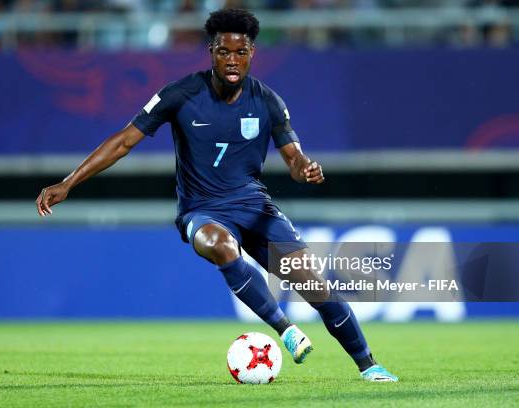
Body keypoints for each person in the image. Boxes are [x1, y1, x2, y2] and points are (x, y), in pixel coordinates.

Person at [36, 8, 398, 382]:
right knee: (220, 245)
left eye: (240, 52)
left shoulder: (267, 102)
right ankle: (286, 329)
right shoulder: (181, 94)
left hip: (256, 209)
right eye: (224, 51)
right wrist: (69, 182)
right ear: (211, 51)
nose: (232, 60)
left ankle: (369, 365)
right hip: (202, 210)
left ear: (252, 53)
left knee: (316, 287)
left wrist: (305, 168)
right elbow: (125, 141)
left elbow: (293, 157)